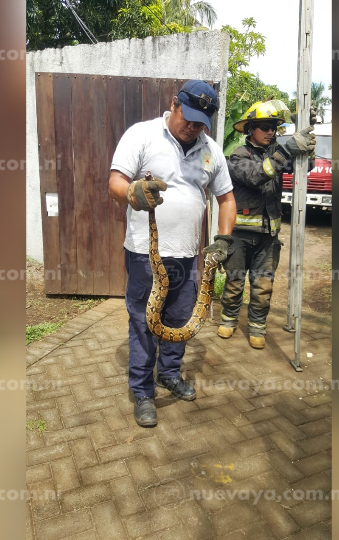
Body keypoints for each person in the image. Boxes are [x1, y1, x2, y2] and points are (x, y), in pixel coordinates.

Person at [108, 80, 237, 427]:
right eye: (189, 117)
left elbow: (226, 199)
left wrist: (223, 239)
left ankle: (169, 373)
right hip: (144, 255)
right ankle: (143, 391)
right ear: (174, 104)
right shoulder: (142, 135)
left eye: (201, 122)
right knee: (144, 323)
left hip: (187, 256)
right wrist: (133, 192)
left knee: (180, 320)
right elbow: (116, 182)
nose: (192, 127)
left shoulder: (211, 150)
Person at [217, 101, 316, 349]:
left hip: (268, 237)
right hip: (239, 235)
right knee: (234, 282)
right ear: (250, 129)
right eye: (264, 126)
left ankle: (257, 327)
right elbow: (257, 175)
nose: (270, 131)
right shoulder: (238, 155)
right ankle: (229, 321)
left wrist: (306, 135)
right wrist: (287, 150)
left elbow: (306, 167)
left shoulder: (276, 153)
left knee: (263, 287)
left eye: (273, 127)